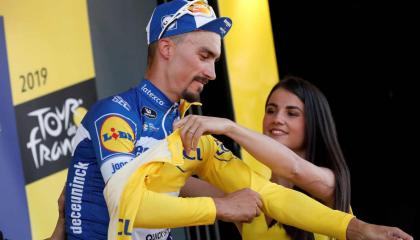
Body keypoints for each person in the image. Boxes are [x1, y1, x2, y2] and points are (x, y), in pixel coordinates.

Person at [52, 1, 413, 240]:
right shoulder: (116, 114)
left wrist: (358, 228)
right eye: (204, 55)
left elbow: (267, 193)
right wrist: (221, 207)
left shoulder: (192, 134)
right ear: (166, 48)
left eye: (216, 61)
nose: (211, 72)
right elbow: (127, 205)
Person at [172, 76, 413, 240]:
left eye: (292, 113)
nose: (277, 119)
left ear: (313, 124)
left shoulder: (329, 182)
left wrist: (228, 127)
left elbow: (295, 168)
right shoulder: (244, 193)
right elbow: (175, 182)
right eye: (271, 110)